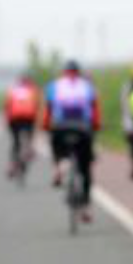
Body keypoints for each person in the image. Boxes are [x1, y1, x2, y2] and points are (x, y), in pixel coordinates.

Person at [43, 59, 101, 222]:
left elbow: (48, 110)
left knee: (56, 146)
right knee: (85, 168)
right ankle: (86, 208)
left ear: (64, 72)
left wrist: (47, 126)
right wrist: (95, 126)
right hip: (83, 129)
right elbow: (95, 111)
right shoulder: (87, 86)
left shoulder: (55, 85)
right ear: (78, 72)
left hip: (61, 128)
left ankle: (60, 166)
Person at [2, 73, 41, 178]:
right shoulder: (33, 89)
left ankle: (11, 166)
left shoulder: (13, 90)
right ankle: (30, 149)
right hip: (29, 117)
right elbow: (37, 106)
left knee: (15, 142)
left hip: (14, 118)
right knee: (30, 136)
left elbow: (6, 105)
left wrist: (5, 120)